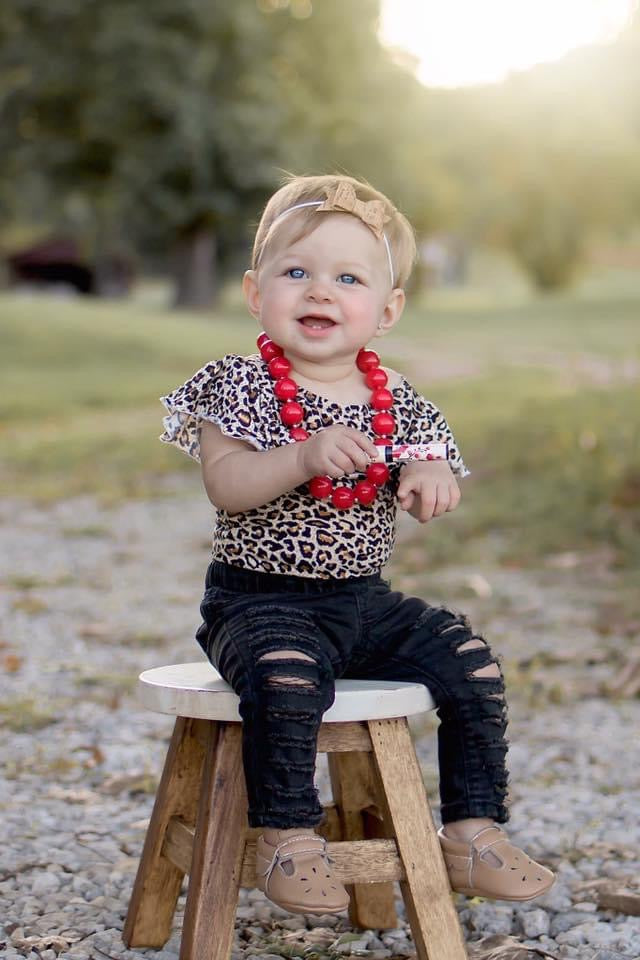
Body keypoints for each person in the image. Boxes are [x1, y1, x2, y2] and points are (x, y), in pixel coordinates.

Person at [160, 174, 554, 916]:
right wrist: (302, 456)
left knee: (469, 662)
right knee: (285, 680)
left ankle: (470, 829)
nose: (320, 292)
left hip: (361, 605)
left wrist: (431, 473)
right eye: (296, 272)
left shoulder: (394, 395)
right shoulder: (237, 386)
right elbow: (228, 485)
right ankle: (287, 836)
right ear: (255, 292)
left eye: (348, 278)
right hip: (257, 602)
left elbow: (431, 455)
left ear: (388, 309)